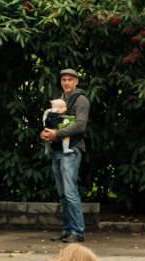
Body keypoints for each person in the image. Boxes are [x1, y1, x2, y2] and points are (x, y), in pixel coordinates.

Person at [40, 68, 90, 244]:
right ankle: (68, 231)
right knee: (63, 194)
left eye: (70, 79)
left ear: (76, 81)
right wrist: (46, 133)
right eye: (64, 80)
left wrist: (56, 134)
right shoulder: (61, 101)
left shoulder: (81, 99)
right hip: (58, 150)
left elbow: (80, 126)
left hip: (72, 150)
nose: (66, 82)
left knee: (70, 193)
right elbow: (53, 123)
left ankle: (78, 232)